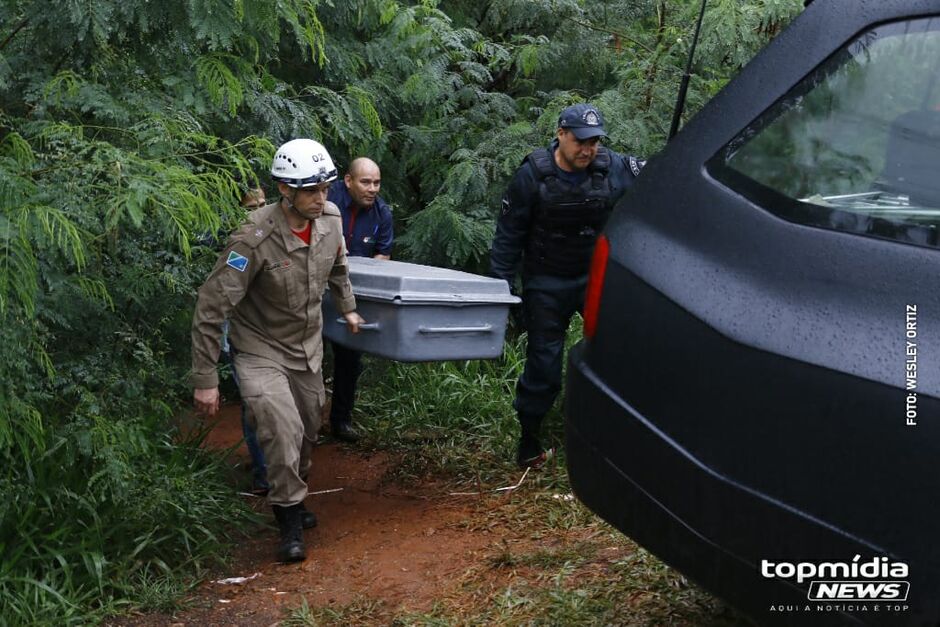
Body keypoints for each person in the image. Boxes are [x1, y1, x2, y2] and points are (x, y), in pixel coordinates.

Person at [191, 139, 365, 563]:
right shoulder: (252, 240)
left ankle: (294, 493)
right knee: (281, 429)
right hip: (258, 347)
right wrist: (206, 380)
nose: (320, 197)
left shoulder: (331, 220)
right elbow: (212, 307)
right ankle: (287, 518)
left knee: (308, 429)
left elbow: (338, 267)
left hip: (306, 345)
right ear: (285, 190)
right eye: (309, 190)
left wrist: (350, 309)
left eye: (323, 188)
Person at [490, 104, 643, 468]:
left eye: (594, 142)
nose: (588, 149)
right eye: (580, 141)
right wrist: (500, 292)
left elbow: (659, 179)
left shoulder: (613, 167)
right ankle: (529, 441)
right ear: (561, 134)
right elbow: (508, 236)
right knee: (544, 365)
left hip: (594, 279)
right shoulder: (532, 176)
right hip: (546, 283)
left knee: (613, 355)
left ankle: (607, 434)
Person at [325, 157, 394, 442]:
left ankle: (340, 421)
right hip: (317, 288)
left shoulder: (382, 213)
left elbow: (383, 256)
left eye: (377, 182)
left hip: (353, 293)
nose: (373, 188)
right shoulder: (328, 204)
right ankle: (300, 421)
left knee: (350, 357)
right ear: (348, 181)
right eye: (366, 182)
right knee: (308, 355)